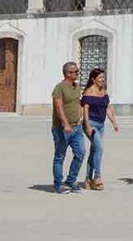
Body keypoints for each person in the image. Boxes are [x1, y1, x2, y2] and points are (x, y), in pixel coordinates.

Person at [50, 61, 88, 194]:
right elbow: (58, 107)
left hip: (76, 127)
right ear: (68, 73)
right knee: (60, 156)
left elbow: (78, 103)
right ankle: (58, 183)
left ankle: (71, 180)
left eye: (77, 71)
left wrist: (81, 117)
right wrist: (65, 123)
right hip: (62, 129)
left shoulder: (76, 87)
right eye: (75, 72)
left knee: (80, 153)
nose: (78, 73)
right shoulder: (59, 88)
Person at [79, 67, 118, 190]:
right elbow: (85, 110)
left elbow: (107, 107)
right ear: (93, 79)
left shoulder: (103, 92)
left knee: (94, 151)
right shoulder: (88, 92)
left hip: (101, 125)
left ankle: (87, 179)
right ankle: (97, 177)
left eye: (103, 78)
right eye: (100, 78)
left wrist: (114, 122)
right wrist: (88, 126)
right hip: (91, 124)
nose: (102, 80)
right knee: (99, 149)